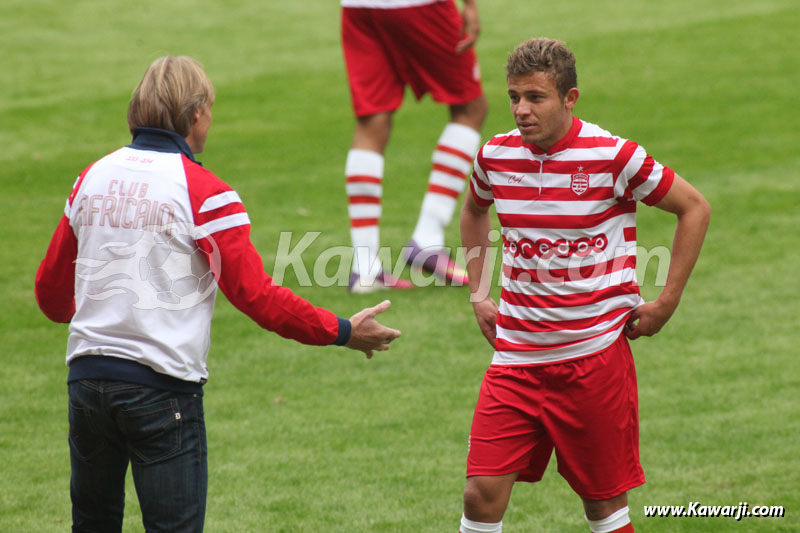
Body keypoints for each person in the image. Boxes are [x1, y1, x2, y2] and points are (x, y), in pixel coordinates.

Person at [35, 56, 401, 532]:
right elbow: (257, 297)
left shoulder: (91, 178)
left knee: (92, 524)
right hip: (161, 390)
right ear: (198, 113)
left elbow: (50, 294)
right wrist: (344, 330)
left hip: (86, 384)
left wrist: (102, 316)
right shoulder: (205, 193)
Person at [458, 38, 710, 533]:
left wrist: (666, 303)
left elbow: (694, 207)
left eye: (536, 97)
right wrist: (479, 292)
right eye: (514, 97)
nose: (521, 110)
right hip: (516, 359)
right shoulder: (495, 156)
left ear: (570, 98)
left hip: (593, 359)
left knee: (603, 506)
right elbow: (474, 209)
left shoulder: (613, 156)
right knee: (480, 495)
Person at [341, 0, 489, 293]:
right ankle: (428, 238)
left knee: (373, 120)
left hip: (357, 7)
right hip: (418, 6)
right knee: (471, 108)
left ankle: (365, 267)